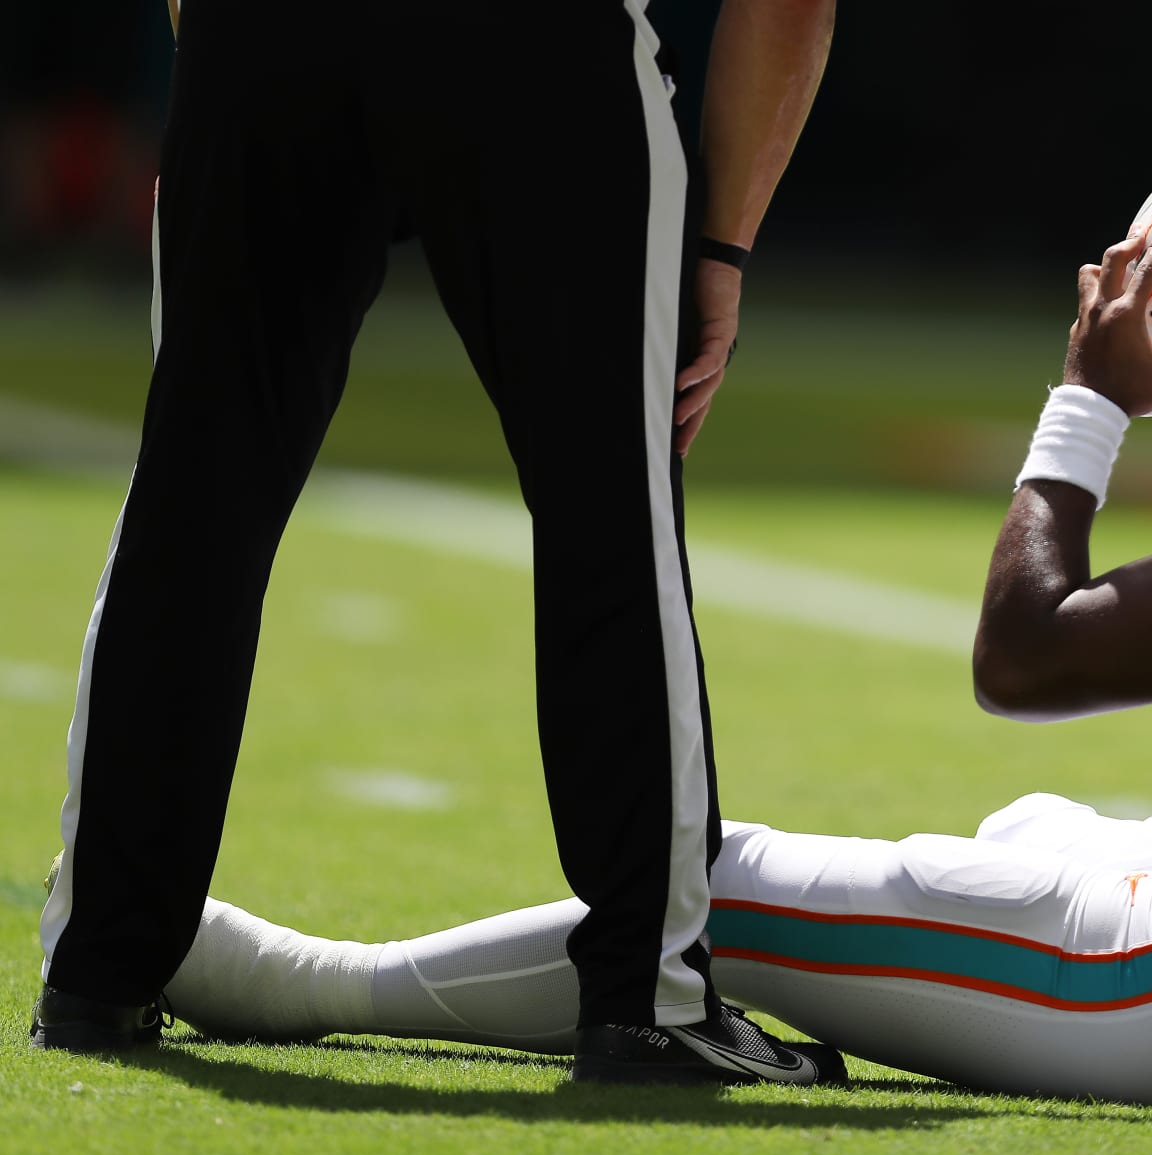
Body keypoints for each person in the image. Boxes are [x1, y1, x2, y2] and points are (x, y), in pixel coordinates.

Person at [107, 137, 1152, 1107]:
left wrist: (1085, 406)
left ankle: (307, 985)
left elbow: (1027, 654)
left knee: (716, 886)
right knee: (1031, 824)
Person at [31, 0, 844, 1088]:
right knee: (612, 512)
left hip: (266, 41)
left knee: (195, 500)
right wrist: (721, 245)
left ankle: (101, 967)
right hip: (528, 43)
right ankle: (648, 997)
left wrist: (224, 67)